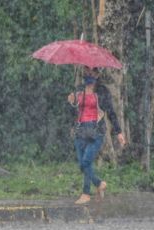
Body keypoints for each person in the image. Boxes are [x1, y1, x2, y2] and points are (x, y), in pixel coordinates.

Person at [67, 66, 126, 204]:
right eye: (86, 70)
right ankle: (95, 187)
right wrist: (71, 102)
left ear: (98, 73)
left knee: (86, 162)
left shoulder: (102, 91)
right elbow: (72, 113)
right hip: (80, 131)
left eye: (92, 71)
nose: (89, 73)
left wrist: (119, 132)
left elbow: (111, 112)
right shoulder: (79, 89)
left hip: (96, 132)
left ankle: (88, 191)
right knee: (83, 164)